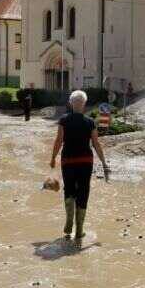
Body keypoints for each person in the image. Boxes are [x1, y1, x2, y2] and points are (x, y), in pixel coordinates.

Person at [50, 90, 110, 240]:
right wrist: (103, 162)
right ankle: (79, 230)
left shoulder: (64, 120)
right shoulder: (90, 122)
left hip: (68, 160)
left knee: (69, 189)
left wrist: (53, 158)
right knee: (84, 190)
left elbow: (59, 141)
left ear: (71, 103)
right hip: (85, 161)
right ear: (84, 105)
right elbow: (96, 144)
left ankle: (69, 222)